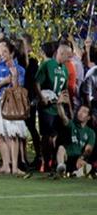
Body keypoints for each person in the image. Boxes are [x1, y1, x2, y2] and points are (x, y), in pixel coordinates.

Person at [0, 39, 28, 175]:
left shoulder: (20, 69)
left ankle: (15, 166)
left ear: (12, 53)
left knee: (13, 135)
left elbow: (18, 89)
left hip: (12, 103)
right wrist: (4, 82)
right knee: (1, 134)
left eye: (5, 51)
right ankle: (6, 165)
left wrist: (15, 77)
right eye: (0, 50)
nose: (2, 53)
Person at [35, 40, 71, 171]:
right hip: (47, 107)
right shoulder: (47, 64)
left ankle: (54, 161)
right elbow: (37, 82)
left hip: (58, 107)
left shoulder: (65, 70)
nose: (70, 57)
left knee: (57, 136)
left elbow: (65, 91)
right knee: (46, 135)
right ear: (61, 53)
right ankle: (45, 161)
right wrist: (42, 98)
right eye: (68, 55)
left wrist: (68, 109)